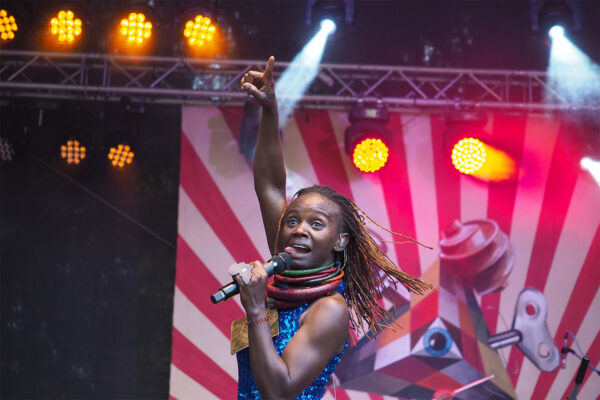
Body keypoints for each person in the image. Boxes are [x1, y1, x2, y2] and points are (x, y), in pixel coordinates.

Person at [232, 56, 433, 400]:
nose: (299, 230)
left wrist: (254, 309)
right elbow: (268, 184)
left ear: (339, 241)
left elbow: (278, 391)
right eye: (292, 221)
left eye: (316, 224)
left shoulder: (330, 310)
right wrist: (269, 111)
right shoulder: (285, 259)